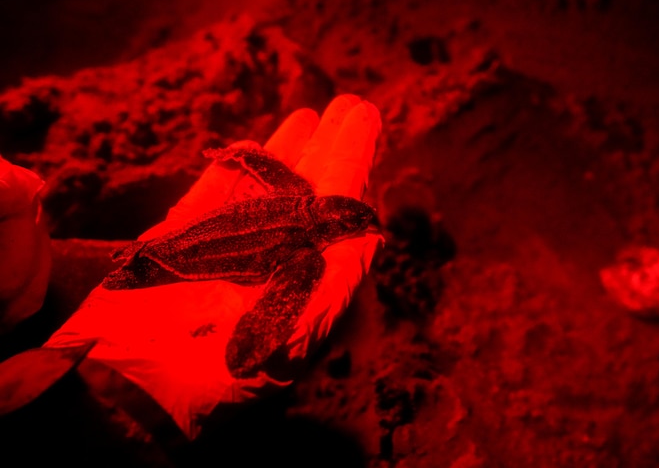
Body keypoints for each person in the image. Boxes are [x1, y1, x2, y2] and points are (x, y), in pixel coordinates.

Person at [0, 94, 382, 465]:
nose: (359, 227)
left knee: (125, 265)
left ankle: (137, 267)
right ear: (330, 227)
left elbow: (269, 167)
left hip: (174, 254)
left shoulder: (299, 193)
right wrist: (252, 342)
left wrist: (240, 154)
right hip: (185, 260)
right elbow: (278, 298)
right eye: (352, 224)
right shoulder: (306, 258)